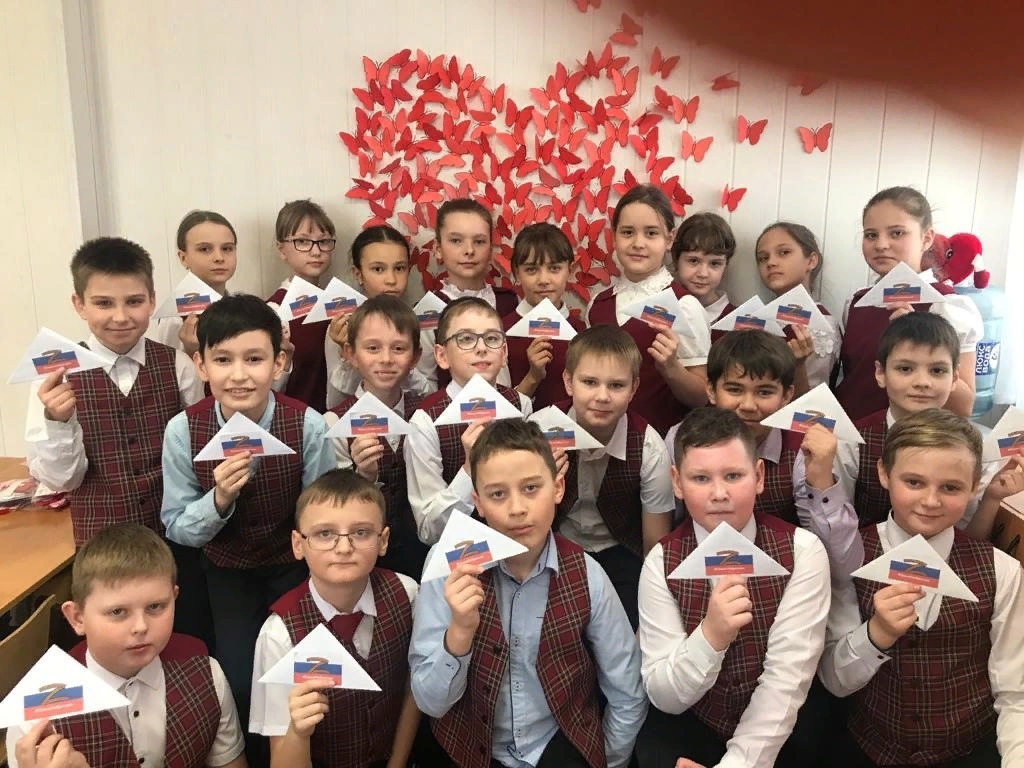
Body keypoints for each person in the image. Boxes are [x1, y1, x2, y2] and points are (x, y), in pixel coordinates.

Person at [410, 419, 648, 768]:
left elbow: (627, 692)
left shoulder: (587, 574)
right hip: (467, 749)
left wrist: (607, 759)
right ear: (477, 502)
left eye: (531, 488)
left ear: (558, 487)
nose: (517, 508)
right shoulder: (447, 566)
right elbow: (430, 703)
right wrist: (459, 632)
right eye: (497, 494)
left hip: (559, 744)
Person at [160, 294, 335, 761]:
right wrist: (218, 499)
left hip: (294, 570)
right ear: (200, 365)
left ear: (279, 363)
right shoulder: (183, 431)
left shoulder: (307, 425)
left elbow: (323, 513)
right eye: (223, 360)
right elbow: (176, 526)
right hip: (226, 571)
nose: (239, 375)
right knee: (239, 678)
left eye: (254, 359)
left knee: (302, 678)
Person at [819, 409, 1024, 767]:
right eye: (914, 482)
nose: (931, 501)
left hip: (970, 750)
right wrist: (876, 633)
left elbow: (1015, 690)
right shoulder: (849, 557)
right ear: (884, 473)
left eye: (950, 487)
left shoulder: (1001, 570)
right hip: (868, 747)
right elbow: (834, 681)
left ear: (974, 485)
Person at [636, 407, 831, 768]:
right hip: (691, 725)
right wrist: (710, 636)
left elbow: (786, 678)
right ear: (676, 482)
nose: (719, 493)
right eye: (700, 478)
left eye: (733, 475)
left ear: (759, 476)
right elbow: (663, 694)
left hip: (779, 734)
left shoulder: (803, 551)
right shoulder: (661, 562)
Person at [5, 524, 246, 768]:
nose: (140, 627)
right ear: (77, 618)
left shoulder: (207, 673)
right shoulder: (37, 715)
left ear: (174, 598)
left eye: (155, 607)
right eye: (118, 612)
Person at [25, 237, 204, 546]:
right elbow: (61, 481)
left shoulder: (179, 365)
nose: (120, 317)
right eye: (103, 303)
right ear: (79, 304)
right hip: (101, 546)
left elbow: (196, 453)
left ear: (152, 301)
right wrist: (58, 422)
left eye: (134, 301)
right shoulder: (54, 379)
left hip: (175, 537)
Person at [250, 470, 420, 768]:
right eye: (324, 534)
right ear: (298, 544)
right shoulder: (279, 635)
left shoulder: (407, 594)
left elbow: (412, 689)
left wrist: (397, 762)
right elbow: (281, 757)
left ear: (383, 540)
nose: (343, 548)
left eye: (361, 532)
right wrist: (298, 732)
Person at [555, 325, 675, 629]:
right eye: (589, 382)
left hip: (621, 550)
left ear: (634, 389)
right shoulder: (542, 430)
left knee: (626, 627)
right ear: (568, 382)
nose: (602, 396)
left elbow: (655, 545)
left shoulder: (648, 446)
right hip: (556, 545)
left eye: (617, 385)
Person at [836, 187, 982, 420]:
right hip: (852, 436)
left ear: (926, 238)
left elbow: (964, 407)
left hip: (913, 438)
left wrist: (920, 336)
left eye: (897, 233)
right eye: (871, 235)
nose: (881, 244)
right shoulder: (857, 302)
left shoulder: (947, 304)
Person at [405, 297, 531, 545]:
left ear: (504, 352)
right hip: (461, 553)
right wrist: (468, 469)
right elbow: (429, 530)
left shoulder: (521, 405)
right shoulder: (426, 422)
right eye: (465, 339)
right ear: (442, 355)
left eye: (492, 338)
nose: (481, 348)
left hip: (518, 542)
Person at [587, 184, 710, 436]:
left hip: (661, 442)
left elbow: (702, 397)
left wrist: (671, 368)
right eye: (627, 232)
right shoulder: (598, 304)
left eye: (651, 233)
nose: (638, 243)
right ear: (614, 237)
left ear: (669, 239)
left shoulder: (684, 305)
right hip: (602, 440)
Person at [325, 295, 429, 578]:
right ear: (350, 354)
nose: (386, 359)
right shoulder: (334, 423)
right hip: (361, 556)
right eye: (372, 348)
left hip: (421, 550)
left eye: (399, 348)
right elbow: (333, 506)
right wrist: (364, 474)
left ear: (415, 357)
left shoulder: (427, 414)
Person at [414, 199, 519, 390]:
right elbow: (425, 381)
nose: (469, 251)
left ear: (490, 249)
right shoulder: (428, 310)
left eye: (479, 241)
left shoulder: (509, 302)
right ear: (438, 249)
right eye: (456, 241)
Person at [324, 225, 431, 404]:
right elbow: (334, 403)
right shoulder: (342, 326)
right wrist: (349, 357)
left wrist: (406, 364)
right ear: (358, 274)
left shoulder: (418, 320)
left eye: (399, 268)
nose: (391, 280)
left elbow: (428, 393)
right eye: (378, 269)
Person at [503, 223, 586, 410]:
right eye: (531, 270)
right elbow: (498, 410)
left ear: (570, 270)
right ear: (516, 273)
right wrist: (533, 377)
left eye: (554, 268)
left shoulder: (582, 331)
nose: (544, 280)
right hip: (519, 427)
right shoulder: (501, 332)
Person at [267, 199, 337, 413]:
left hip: (339, 418)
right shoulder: (274, 310)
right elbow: (267, 387)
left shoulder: (338, 302)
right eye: (303, 241)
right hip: (293, 419)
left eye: (324, 241)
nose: (316, 251)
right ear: (282, 249)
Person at [754, 221, 841, 391]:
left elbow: (813, 393)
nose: (771, 262)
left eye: (784, 252)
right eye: (763, 258)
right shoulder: (754, 317)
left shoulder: (822, 323)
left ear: (811, 260)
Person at [151, 209, 238, 357]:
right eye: (205, 249)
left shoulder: (243, 307)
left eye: (227, 248)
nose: (219, 257)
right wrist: (191, 350)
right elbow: (170, 368)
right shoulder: (175, 318)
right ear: (183, 258)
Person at [671, 211, 736, 327]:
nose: (703, 274)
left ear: (725, 266)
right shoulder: (661, 309)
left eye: (715, 263)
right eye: (693, 261)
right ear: (676, 259)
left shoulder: (737, 321)